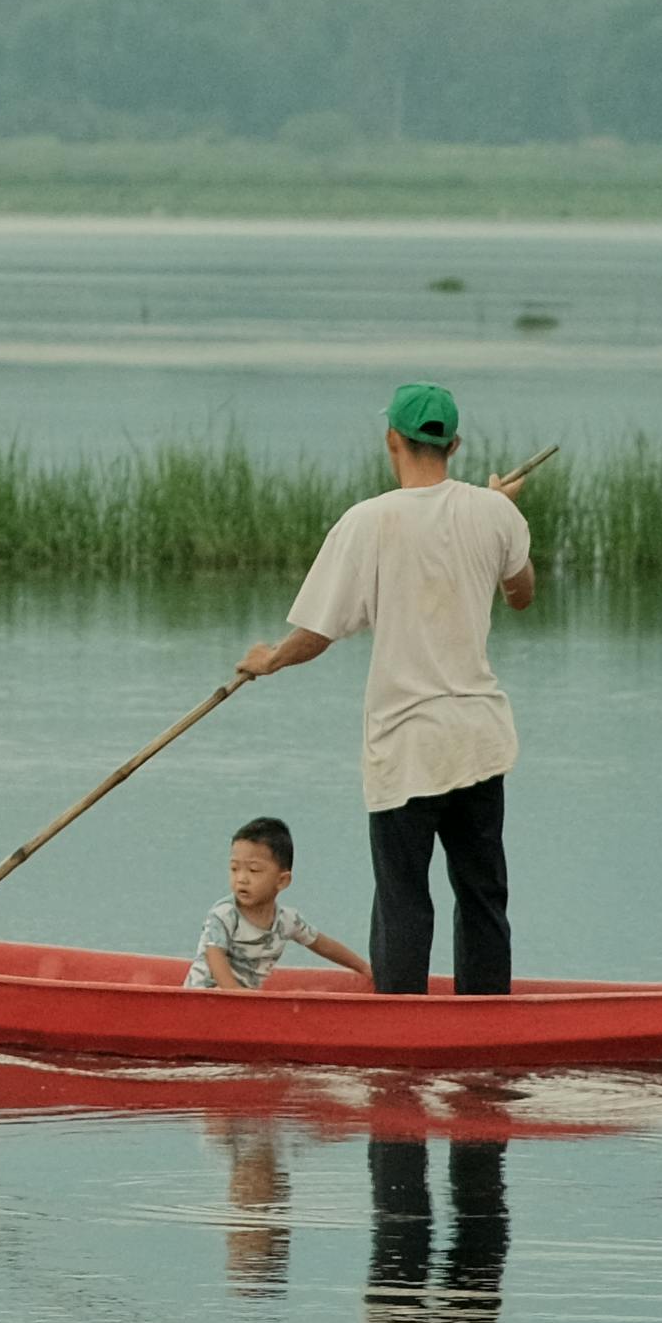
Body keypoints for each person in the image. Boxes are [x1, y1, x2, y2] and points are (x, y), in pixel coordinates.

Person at [222, 379, 534, 997]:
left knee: (402, 901)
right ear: (456, 444)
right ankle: (487, 1024)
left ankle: (400, 1029)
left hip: (405, 745)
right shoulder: (496, 512)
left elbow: (317, 632)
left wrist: (269, 661)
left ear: (391, 438)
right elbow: (521, 593)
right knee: (482, 894)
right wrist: (500, 508)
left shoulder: (369, 521)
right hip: (478, 740)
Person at [183, 813, 374, 994]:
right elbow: (214, 955)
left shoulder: (286, 921)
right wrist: (235, 995)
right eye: (234, 869)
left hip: (243, 1003)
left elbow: (321, 944)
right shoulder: (224, 914)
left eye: (254, 870)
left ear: (282, 881)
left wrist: (363, 967)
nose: (241, 879)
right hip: (205, 998)